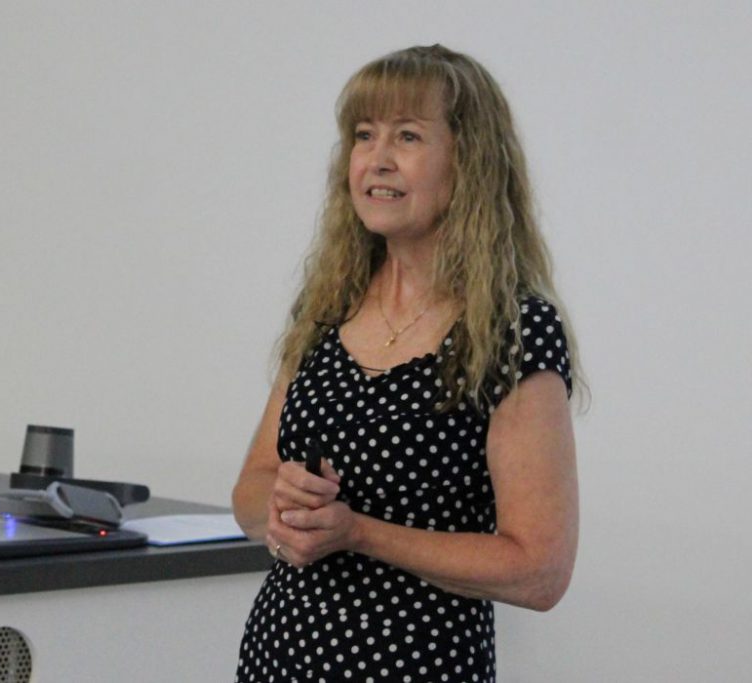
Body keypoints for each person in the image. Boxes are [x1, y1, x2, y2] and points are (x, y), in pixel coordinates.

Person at [232, 44, 581, 683]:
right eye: (364, 136)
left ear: (469, 161)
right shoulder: (326, 310)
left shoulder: (514, 331)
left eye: (409, 136)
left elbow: (540, 570)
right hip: (279, 661)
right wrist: (281, 512)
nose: (377, 159)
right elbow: (251, 491)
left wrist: (357, 533)